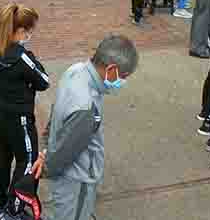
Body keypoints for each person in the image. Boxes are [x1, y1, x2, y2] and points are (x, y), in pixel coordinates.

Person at [41, 34, 139, 220]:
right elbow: (66, 150)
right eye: (123, 76)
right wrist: (47, 167)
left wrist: (47, 149)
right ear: (111, 69)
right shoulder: (86, 107)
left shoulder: (75, 71)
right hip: (77, 182)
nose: (123, 81)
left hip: (65, 174)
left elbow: (56, 114)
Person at [0, 4, 49, 219]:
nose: (30, 35)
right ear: (20, 30)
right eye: (29, 30)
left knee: (2, 154)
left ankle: (0, 201)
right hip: (17, 116)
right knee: (28, 160)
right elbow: (43, 81)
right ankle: (15, 208)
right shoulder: (22, 58)